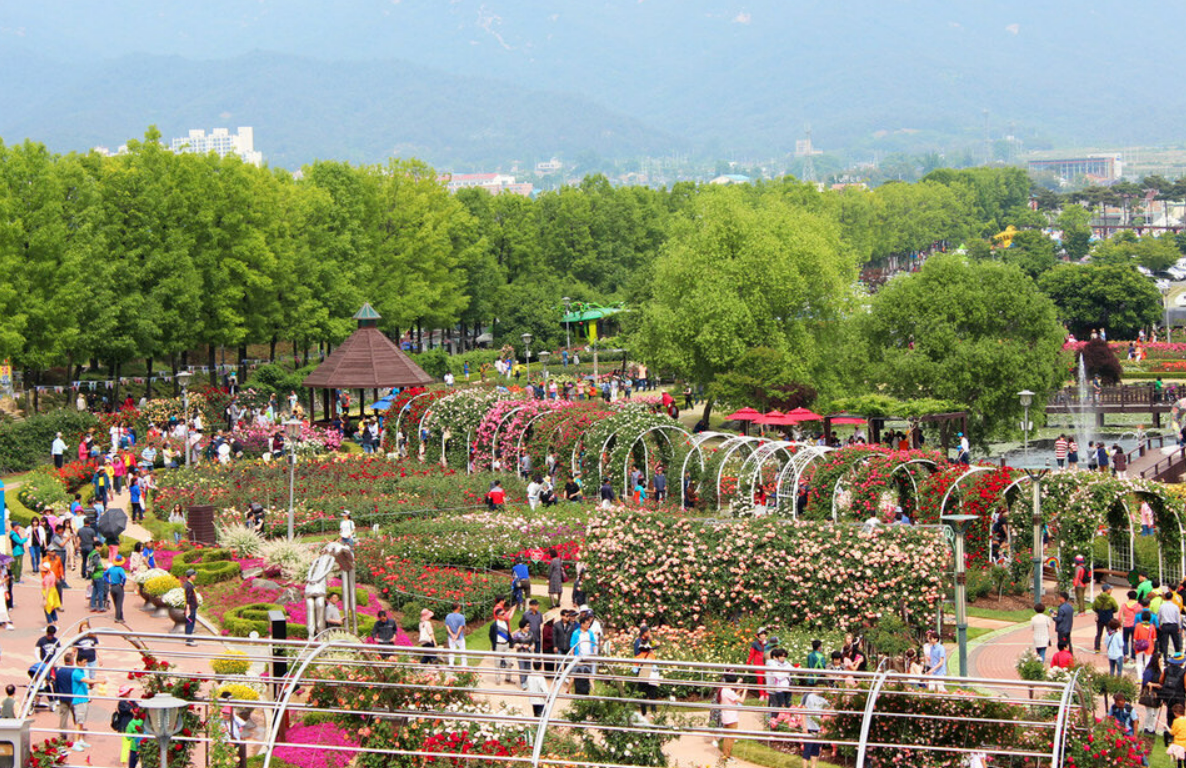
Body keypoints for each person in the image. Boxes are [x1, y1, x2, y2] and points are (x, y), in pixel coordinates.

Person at [60, 653, 96, 751]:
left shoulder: (78, 671)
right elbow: (86, 681)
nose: (85, 664)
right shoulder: (76, 672)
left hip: (73, 697)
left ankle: (78, 739)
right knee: (78, 721)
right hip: (76, 699)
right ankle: (76, 742)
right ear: (77, 662)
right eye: (84, 662)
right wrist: (100, 681)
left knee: (79, 720)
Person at [718, 673, 742, 762]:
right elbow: (741, 700)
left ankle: (726, 755)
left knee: (727, 737)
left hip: (726, 716)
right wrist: (745, 691)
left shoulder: (724, 690)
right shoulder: (729, 692)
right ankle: (726, 756)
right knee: (731, 738)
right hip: (732, 717)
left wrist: (738, 691)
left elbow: (733, 697)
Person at [489, 608, 514, 684]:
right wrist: (494, 644)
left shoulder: (506, 623)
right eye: (502, 614)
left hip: (506, 645)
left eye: (504, 613)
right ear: (498, 616)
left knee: (509, 662)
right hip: (498, 645)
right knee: (497, 663)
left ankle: (508, 678)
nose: (504, 615)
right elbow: (491, 635)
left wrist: (511, 642)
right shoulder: (494, 625)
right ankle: (498, 680)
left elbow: (508, 633)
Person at [1093, 583, 1119, 653]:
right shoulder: (1111, 599)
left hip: (1100, 618)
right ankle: (1110, 647)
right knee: (1110, 633)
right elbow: (1116, 608)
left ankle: (1097, 648)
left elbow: (1094, 608)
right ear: (1107, 590)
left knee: (1099, 633)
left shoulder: (1097, 598)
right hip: (1109, 618)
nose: (1111, 590)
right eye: (1110, 589)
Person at [766, 647, 793, 712]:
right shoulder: (774, 664)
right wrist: (786, 673)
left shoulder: (787, 663)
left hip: (787, 687)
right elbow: (778, 676)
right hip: (779, 688)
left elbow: (792, 670)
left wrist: (784, 673)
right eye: (781, 656)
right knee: (779, 705)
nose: (782, 658)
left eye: (784, 656)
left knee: (788, 704)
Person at [105, 555, 128, 622]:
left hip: (112, 587)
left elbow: (105, 574)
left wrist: (108, 581)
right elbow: (124, 577)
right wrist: (122, 584)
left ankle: (120, 617)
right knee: (119, 603)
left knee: (116, 603)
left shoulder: (111, 569)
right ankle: (118, 618)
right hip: (118, 587)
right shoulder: (120, 569)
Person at [511, 618, 533, 688]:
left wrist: (531, 647)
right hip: (520, 653)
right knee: (522, 668)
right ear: (522, 627)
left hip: (528, 653)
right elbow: (513, 644)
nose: (529, 627)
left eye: (529, 626)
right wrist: (522, 646)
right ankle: (523, 682)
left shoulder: (531, 634)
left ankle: (527, 680)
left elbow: (533, 642)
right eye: (527, 626)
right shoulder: (517, 635)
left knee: (528, 668)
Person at [747, 628, 768, 700]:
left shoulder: (768, 643)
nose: (763, 636)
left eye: (764, 634)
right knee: (760, 679)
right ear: (759, 635)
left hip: (766, 663)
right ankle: (761, 694)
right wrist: (748, 663)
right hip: (758, 663)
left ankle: (767, 693)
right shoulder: (755, 644)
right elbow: (751, 654)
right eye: (761, 634)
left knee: (767, 678)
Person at [1165, 589, 1185, 659]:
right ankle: (1178, 656)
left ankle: (1165, 658)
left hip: (1165, 625)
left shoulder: (1162, 606)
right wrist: (1179, 626)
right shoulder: (1179, 597)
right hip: (1174, 624)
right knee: (1176, 642)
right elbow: (1178, 616)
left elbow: (1160, 616)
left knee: (1165, 643)